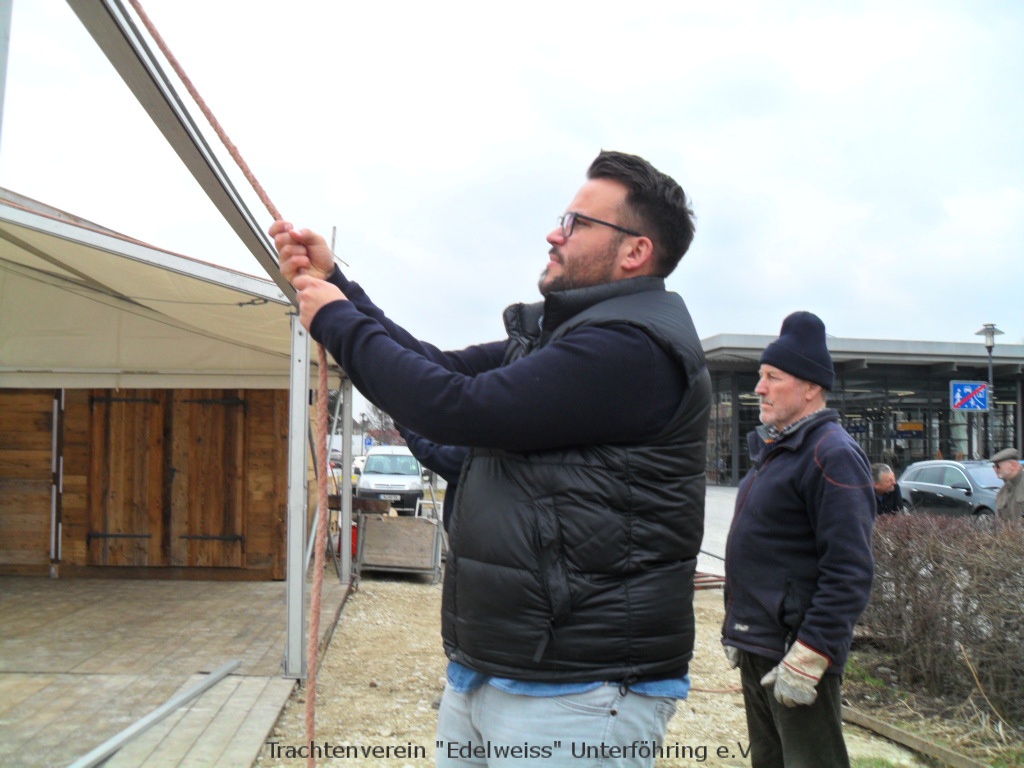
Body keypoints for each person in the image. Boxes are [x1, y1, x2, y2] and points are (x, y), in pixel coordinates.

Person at [271, 150, 711, 768]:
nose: (554, 234)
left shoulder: (632, 350)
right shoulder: (565, 338)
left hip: (582, 685)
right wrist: (340, 288)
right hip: (501, 667)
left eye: (577, 223)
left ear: (635, 251)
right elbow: (436, 368)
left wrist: (338, 321)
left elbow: (453, 406)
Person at [721, 311, 875, 768]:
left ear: (810, 387)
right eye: (760, 376)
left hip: (797, 654)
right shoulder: (779, 451)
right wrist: (741, 625)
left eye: (773, 377)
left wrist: (812, 653)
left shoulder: (832, 453)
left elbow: (850, 570)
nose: (759, 388)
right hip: (761, 647)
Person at [992, 447, 1024, 522]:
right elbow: (1000, 524)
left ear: (1013, 465)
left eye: (998, 466)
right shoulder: (1001, 493)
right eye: (994, 466)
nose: (995, 469)